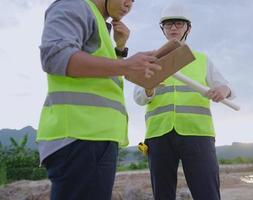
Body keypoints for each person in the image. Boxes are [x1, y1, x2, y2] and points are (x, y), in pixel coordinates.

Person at [36, 0, 161, 199]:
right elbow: (54, 57)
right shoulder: (74, 5)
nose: (129, 4)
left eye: (133, 1)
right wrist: (126, 65)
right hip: (80, 138)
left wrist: (120, 49)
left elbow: (102, 75)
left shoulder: (99, 22)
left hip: (93, 139)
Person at [134, 2, 235, 200]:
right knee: (163, 194)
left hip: (197, 134)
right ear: (162, 29)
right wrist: (149, 87)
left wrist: (224, 90)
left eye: (178, 24)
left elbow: (227, 88)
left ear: (188, 28)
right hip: (159, 134)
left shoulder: (201, 59)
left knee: (207, 193)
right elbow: (138, 98)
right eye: (168, 24)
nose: (173, 27)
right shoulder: (151, 58)